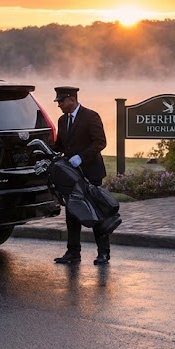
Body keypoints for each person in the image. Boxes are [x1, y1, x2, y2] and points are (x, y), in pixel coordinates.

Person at [51, 86, 112, 265]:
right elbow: (60, 145)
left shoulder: (91, 116)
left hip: (90, 173)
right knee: (72, 213)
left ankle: (103, 253)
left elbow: (100, 142)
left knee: (96, 213)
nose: (59, 105)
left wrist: (82, 157)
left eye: (61, 101)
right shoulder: (62, 120)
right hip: (71, 176)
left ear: (72, 99)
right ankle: (73, 252)